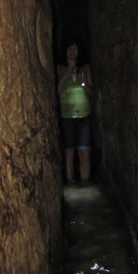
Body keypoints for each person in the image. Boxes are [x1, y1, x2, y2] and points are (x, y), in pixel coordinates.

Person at [57, 38, 93, 185]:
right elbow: (56, 91)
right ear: (65, 51)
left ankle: (85, 181)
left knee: (84, 151)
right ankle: (70, 180)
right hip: (67, 115)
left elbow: (90, 91)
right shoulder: (59, 69)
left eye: (75, 49)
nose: (72, 52)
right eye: (70, 49)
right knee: (69, 151)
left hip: (83, 114)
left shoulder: (84, 69)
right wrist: (65, 76)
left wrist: (83, 83)